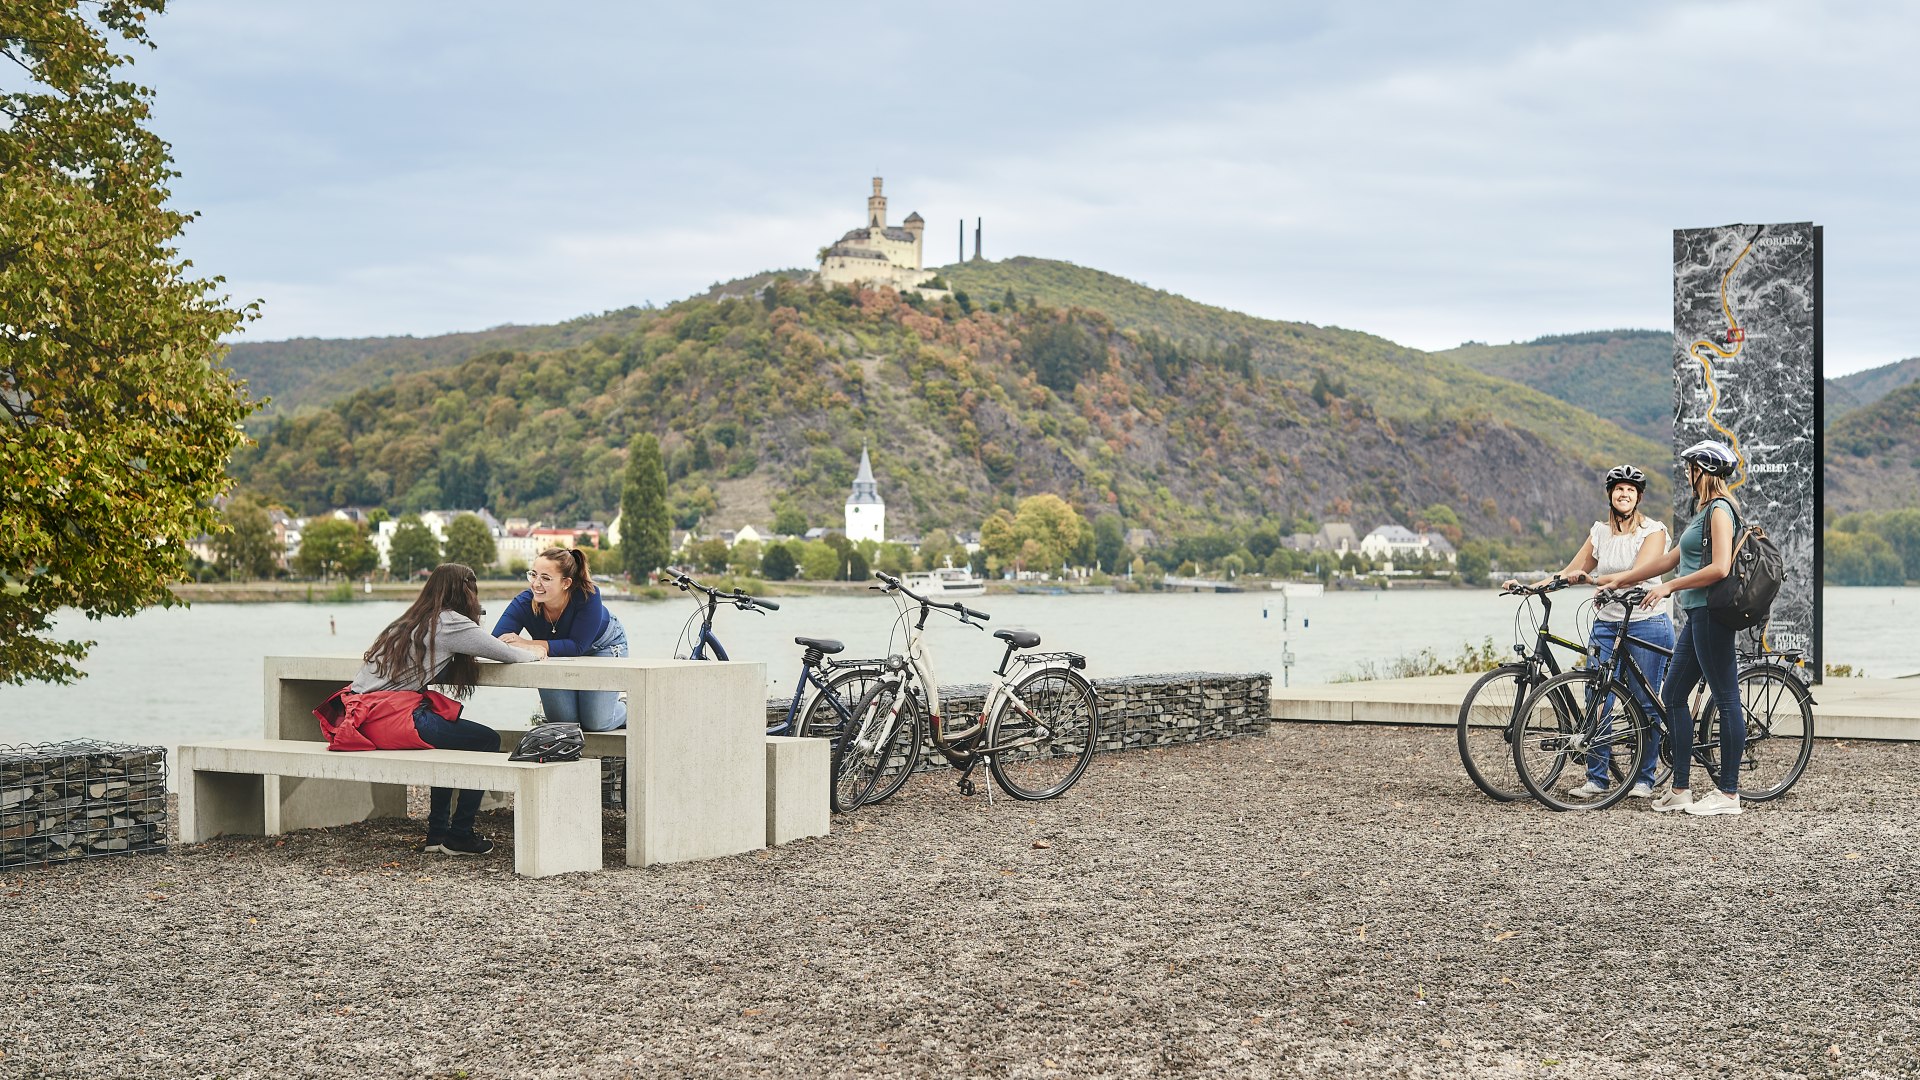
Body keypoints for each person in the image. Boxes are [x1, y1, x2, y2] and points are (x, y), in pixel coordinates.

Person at [314, 563, 542, 854]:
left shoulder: (408, 622)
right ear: (466, 592)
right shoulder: (450, 622)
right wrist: (537, 652)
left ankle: (437, 835)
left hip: (360, 720)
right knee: (487, 741)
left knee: (448, 745)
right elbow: (506, 653)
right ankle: (459, 835)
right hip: (392, 720)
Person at [1505, 464, 1675, 799]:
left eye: (1630, 490)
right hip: (1606, 624)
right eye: (1618, 489)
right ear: (1610, 495)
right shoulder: (1600, 533)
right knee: (1597, 697)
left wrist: (1595, 581)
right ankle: (1597, 779)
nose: (1623, 494)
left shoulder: (1653, 531)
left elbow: (1640, 573)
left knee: (1645, 700)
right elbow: (1571, 572)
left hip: (1646, 623)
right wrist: (1529, 586)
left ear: (1638, 497)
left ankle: (1645, 777)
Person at [1630, 440, 1747, 817]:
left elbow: (1720, 568)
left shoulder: (1720, 510)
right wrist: (1619, 580)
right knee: (1674, 695)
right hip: (1697, 616)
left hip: (1712, 616)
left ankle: (1728, 794)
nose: (1686, 474)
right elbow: (1668, 560)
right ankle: (1681, 788)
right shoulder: (1701, 515)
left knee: (1727, 699)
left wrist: (1670, 586)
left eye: (1690, 468)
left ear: (1704, 471)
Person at [493, 547, 630, 731]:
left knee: (596, 722)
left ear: (566, 583)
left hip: (602, 646)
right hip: (556, 653)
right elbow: (498, 640)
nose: (535, 584)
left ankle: (628, 707)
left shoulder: (588, 596)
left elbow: (576, 646)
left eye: (546, 578)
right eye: (533, 575)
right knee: (564, 724)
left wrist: (526, 644)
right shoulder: (525, 602)